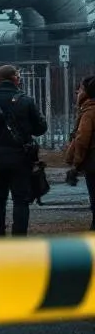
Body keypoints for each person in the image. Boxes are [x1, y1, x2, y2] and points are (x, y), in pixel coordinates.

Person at [0, 64, 48, 237]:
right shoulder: (27, 101)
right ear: (14, 79)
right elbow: (41, 128)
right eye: (19, 77)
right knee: (21, 201)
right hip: (21, 158)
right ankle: (19, 237)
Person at [63, 75, 95, 232]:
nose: (77, 91)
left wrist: (75, 164)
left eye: (81, 88)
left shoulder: (89, 112)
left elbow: (82, 140)